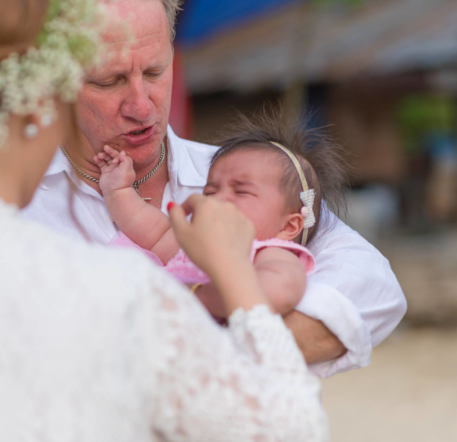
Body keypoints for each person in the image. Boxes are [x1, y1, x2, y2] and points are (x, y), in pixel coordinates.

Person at [0, 0, 329, 439]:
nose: (139, 105)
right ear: (41, 104)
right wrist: (238, 279)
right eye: (102, 82)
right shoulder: (122, 295)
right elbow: (290, 428)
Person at [23, 0, 407, 377]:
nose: (140, 105)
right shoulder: (13, 206)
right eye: (108, 80)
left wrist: (202, 356)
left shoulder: (247, 181)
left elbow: (374, 288)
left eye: (154, 72)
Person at [96, 113, 347, 319]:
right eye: (210, 190)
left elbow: (273, 295)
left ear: (289, 225)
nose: (218, 198)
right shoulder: (197, 240)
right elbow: (154, 232)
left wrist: (195, 295)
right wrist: (119, 191)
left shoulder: (272, 255)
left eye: (241, 191)